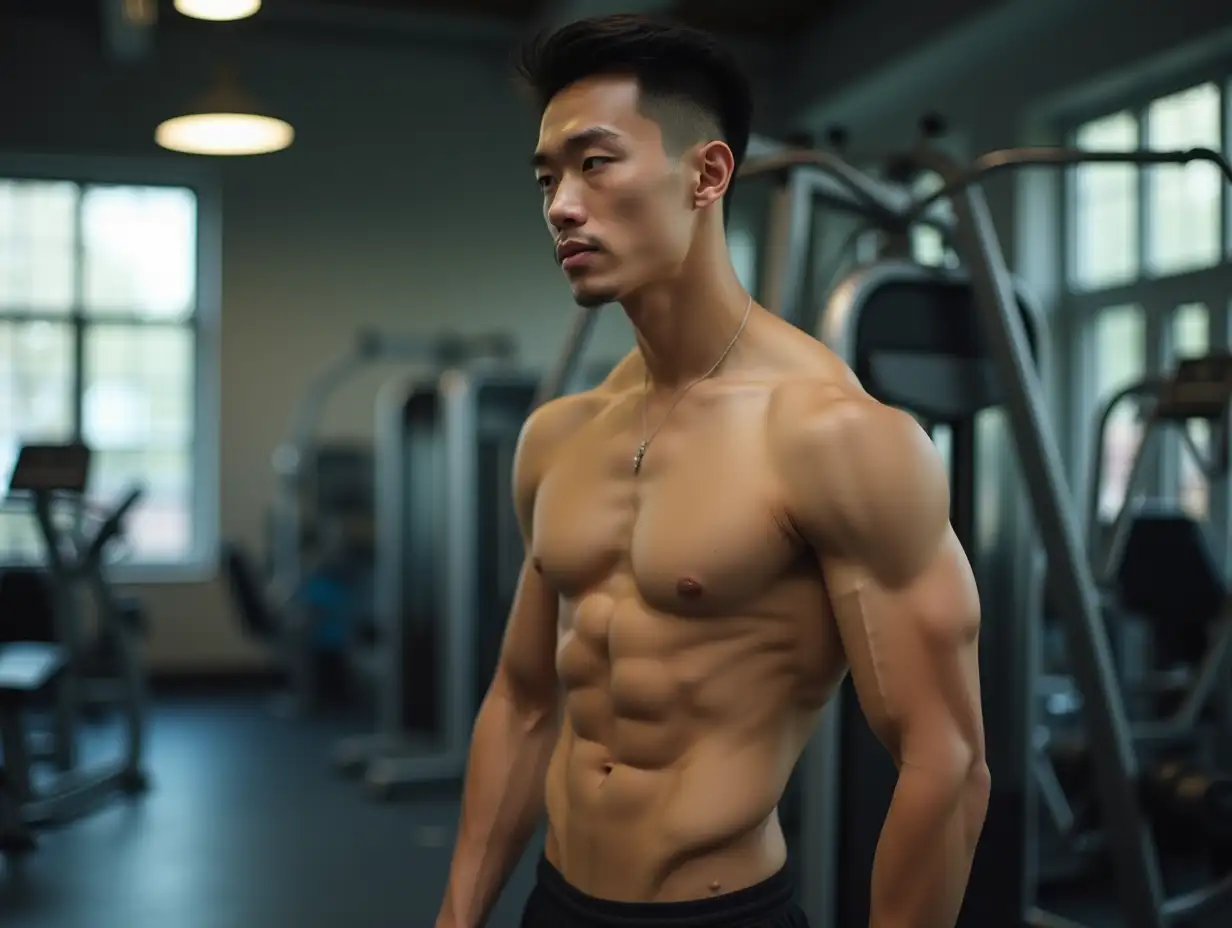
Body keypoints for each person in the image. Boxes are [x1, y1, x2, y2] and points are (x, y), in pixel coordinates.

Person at [435, 14, 990, 928]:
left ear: (707, 173)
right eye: (547, 177)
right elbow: (526, 701)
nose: (561, 205)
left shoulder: (831, 436)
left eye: (595, 162)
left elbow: (949, 760)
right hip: (556, 902)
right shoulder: (558, 437)